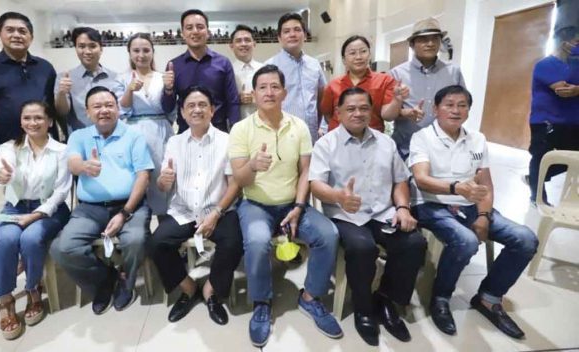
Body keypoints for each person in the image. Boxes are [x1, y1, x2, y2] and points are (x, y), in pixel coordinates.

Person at [409, 85, 538, 339]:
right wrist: (456, 187)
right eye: (449, 104)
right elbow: (421, 179)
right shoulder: (422, 137)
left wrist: (483, 215)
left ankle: (489, 298)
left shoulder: (477, 139)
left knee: (525, 239)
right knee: (465, 240)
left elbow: (486, 184)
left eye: (462, 105)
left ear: (468, 110)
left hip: (470, 206)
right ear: (436, 109)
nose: (455, 110)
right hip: (432, 204)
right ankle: (441, 297)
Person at [229, 65, 341, 347]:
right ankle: (261, 303)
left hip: (293, 203)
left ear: (284, 92)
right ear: (253, 94)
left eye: (274, 86)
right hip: (255, 204)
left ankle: (310, 297)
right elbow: (239, 180)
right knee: (257, 241)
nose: (269, 92)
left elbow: (306, 171)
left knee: (328, 234)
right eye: (262, 87)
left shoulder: (299, 126)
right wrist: (252, 165)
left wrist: (300, 206)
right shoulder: (241, 129)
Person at [310, 87, 425, 346]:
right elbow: (315, 184)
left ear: (372, 111)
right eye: (350, 108)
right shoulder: (325, 144)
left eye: (363, 108)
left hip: (384, 212)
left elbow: (400, 180)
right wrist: (339, 196)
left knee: (414, 243)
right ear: (338, 113)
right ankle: (363, 308)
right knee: (362, 248)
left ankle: (386, 298)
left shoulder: (386, 141)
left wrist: (403, 208)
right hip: (345, 214)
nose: (358, 113)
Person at [50, 86, 153, 315]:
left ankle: (126, 279)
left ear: (118, 109)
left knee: (135, 239)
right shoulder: (79, 136)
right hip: (89, 209)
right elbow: (73, 163)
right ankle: (104, 279)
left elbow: (143, 176)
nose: (104, 110)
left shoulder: (134, 136)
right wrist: (85, 166)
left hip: (130, 206)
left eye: (109, 105)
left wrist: (124, 213)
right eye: (97, 106)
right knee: (63, 248)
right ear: (87, 112)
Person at [147, 86, 243, 325]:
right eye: (191, 105)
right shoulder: (175, 142)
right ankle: (189, 289)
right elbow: (164, 184)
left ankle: (211, 290)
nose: (197, 110)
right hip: (185, 211)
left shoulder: (227, 140)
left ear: (212, 110)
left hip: (218, 209)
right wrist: (162, 181)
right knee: (157, 243)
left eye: (202, 105)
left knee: (233, 242)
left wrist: (217, 213)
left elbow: (235, 184)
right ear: (182, 111)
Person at [0, 100, 71, 340]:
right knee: (5, 240)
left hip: (50, 208)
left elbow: (60, 192)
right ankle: (5, 299)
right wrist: (2, 176)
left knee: (31, 238)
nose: (32, 123)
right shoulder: (8, 148)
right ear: (21, 121)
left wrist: (36, 215)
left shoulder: (61, 151)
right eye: (27, 118)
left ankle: (33, 288)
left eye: (38, 118)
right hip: (14, 207)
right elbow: (3, 172)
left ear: (49, 121)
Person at [0, 11, 59, 146]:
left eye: (22, 31)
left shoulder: (45, 67)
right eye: (10, 30)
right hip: (8, 143)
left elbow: (56, 104)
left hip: (47, 142)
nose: (16, 35)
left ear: (31, 37)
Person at [113, 33, 174, 218]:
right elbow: (120, 110)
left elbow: (171, 110)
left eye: (146, 50)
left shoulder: (163, 77)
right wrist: (129, 90)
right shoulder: (122, 78)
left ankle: (164, 224)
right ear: (129, 53)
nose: (141, 55)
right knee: (136, 178)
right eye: (136, 50)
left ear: (153, 52)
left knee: (161, 177)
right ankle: (136, 219)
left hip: (161, 130)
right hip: (132, 130)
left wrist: (170, 88)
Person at [389, 17, 465, 159]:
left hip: (444, 148)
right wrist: (405, 112)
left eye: (435, 39)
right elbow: (387, 112)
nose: (430, 44)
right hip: (406, 147)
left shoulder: (453, 72)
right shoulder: (397, 74)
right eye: (424, 40)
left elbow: (463, 105)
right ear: (412, 44)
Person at [161, 9, 240, 133]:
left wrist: (236, 132)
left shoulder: (223, 63)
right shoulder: (174, 66)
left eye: (200, 27)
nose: (195, 31)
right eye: (189, 27)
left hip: (218, 133)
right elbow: (168, 107)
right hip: (186, 134)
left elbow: (233, 102)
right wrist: (168, 89)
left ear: (208, 32)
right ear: (182, 33)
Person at [527, 24, 579, 203]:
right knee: (541, 157)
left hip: (572, 122)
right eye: (577, 42)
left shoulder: (576, 65)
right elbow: (563, 90)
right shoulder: (545, 64)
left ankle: (536, 177)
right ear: (565, 43)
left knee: (572, 159)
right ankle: (537, 195)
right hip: (545, 121)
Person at [320, 36, 408, 133]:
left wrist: (397, 100)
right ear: (344, 60)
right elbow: (327, 115)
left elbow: (387, 116)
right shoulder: (333, 85)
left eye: (363, 51)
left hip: (371, 141)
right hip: (338, 141)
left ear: (369, 55)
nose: (358, 57)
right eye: (352, 53)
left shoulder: (384, 81)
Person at [265, 13, 327, 142]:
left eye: (297, 30)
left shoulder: (314, 64)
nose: (292, 34)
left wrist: (321, 126)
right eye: (286, 31)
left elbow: (321, 98)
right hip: (282, 135)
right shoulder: (270, 66)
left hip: (311, 135)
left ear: (304, 35)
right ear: (279, 38)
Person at [54, 27, 118, 133]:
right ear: (75, 48)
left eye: (92, 46)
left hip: (111, 138)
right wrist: (62, 93)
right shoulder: (64, 78)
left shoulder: (115, 77)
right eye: (81, 46)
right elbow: (62, 112)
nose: (87, 51)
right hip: (80, 140)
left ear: (101, 48)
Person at [229, 25, 262, 120]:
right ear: (231, 46)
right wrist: (236, 99)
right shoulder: (227, 70)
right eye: (238, 41)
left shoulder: (264, 68)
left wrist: (256, 98)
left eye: (247, 40)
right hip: (235, 125)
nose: (243, 44)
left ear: (254, 44)